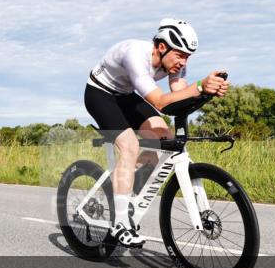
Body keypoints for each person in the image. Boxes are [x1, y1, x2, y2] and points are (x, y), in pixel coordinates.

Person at [85, 19, 228, 247]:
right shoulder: (135, 54)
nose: (183, 62)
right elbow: (160, 102)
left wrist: (205, 94)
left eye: (188, 57)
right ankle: (119, 222)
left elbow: (179, 95)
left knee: (164, 141)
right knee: (130, 146)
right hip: (100, 94)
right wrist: (200, 85)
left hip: (126, 96)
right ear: (162, 47)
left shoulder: (176, 64)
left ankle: (125, 190)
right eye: (180, 55)